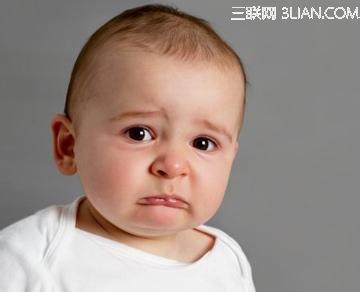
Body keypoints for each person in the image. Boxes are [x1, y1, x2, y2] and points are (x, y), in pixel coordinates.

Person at [0, 4, 255, 291]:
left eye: (203, 143)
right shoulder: (29, 256)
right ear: (69, 146)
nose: (172, 166)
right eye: (139, 133)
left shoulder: (226, 260)